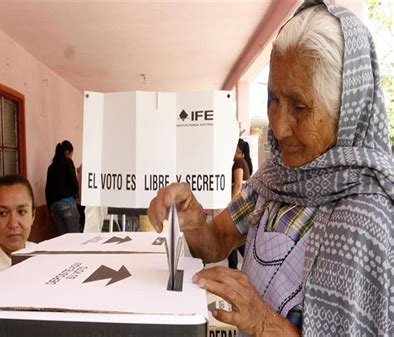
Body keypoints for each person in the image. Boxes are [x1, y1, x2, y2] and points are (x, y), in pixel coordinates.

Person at [147, 1, 393, 336]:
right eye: (273, 99)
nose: (278, 127)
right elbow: (217, 239)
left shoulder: (369, 221)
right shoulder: (276, 178)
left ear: (346, 112)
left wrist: (264, 322)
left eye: (300, 107)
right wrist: (193, 220)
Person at [45, 140, 82, 234]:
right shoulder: (68, 162)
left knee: (62, 238)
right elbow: (73, 180)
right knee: (74, 236)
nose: (71, 157)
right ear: (67, 152)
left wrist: (50, 207)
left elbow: (47, 188)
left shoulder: (51, 167)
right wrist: (76, 193)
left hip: (54, 206)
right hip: (67, 203)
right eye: (71, 154)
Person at [228, 138, 253, 269]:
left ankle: (234, 265)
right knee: (234, 237)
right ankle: (235, 265)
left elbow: (237, 185)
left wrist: (231, 205)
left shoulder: (238, 163)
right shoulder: (243, 162)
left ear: (237, 149)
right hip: (242, 205)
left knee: (232, 236)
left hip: (237, 206)